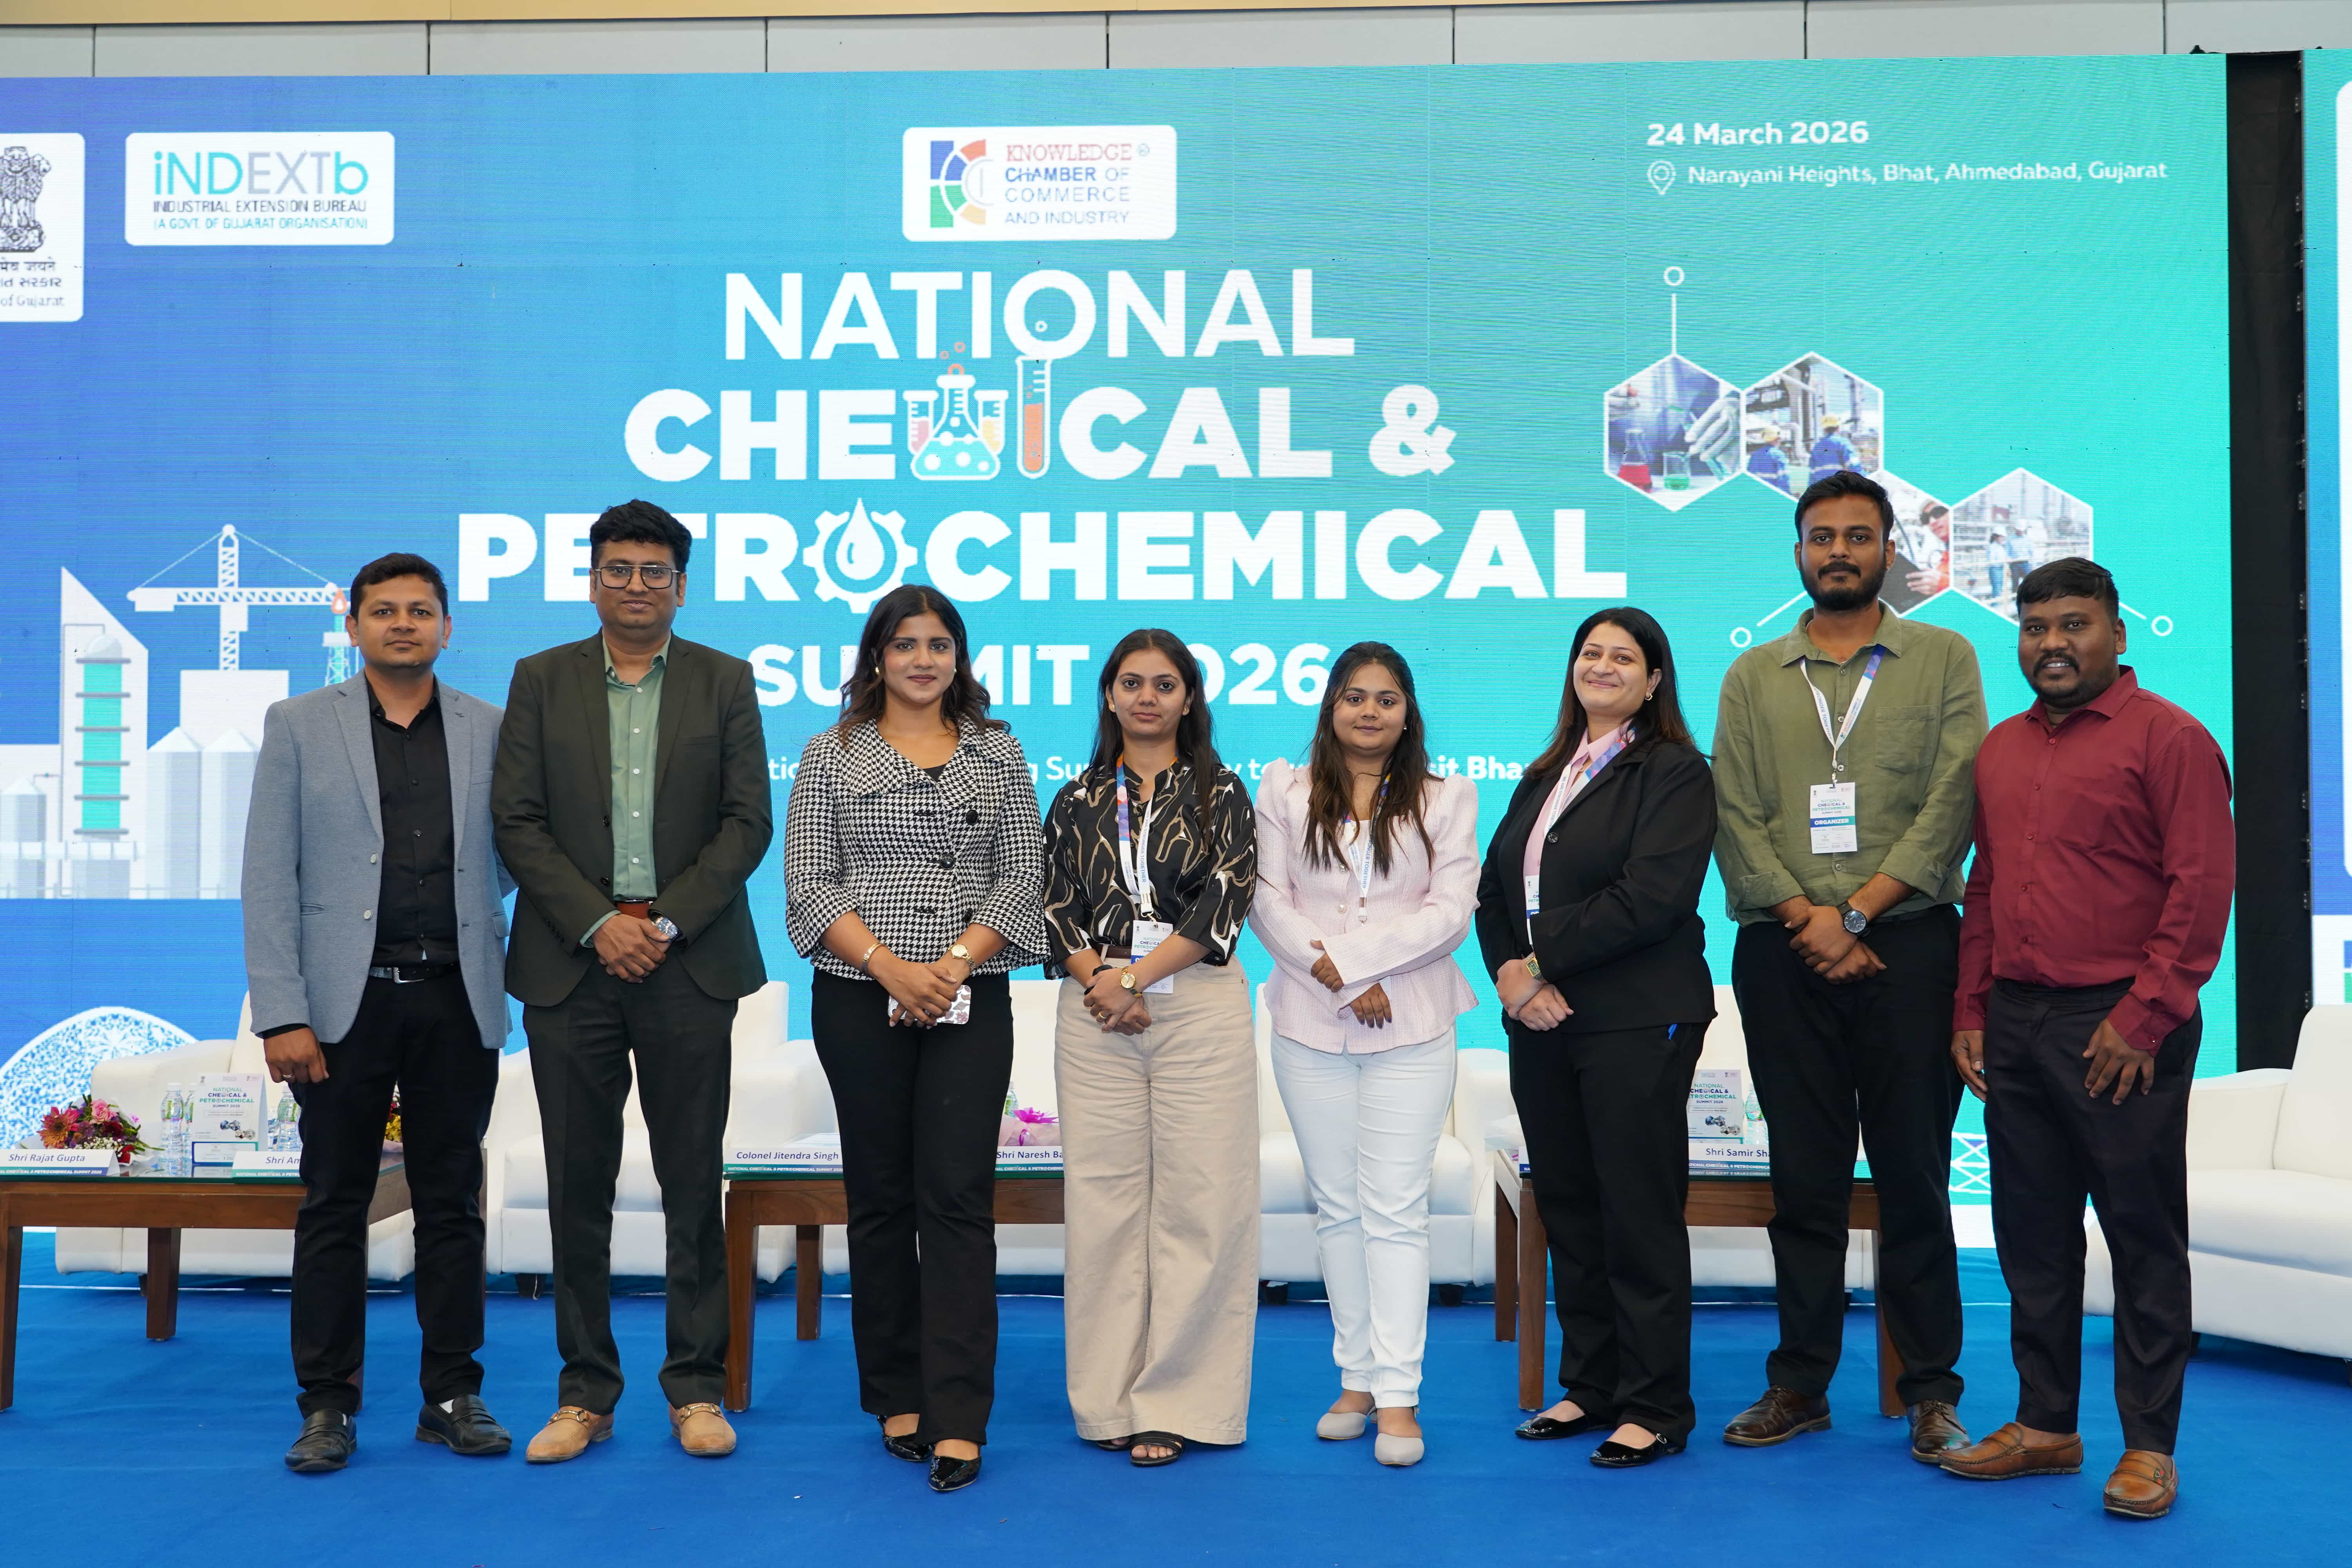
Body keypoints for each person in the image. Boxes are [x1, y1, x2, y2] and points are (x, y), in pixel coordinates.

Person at [1938, 559, 2232, 1521]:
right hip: (2017, 1017)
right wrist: (1971, 1007)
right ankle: (2046, 1424)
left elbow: (2200, 889)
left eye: (2074, 624)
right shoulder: (2002, 748)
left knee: (2142, 1235)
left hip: (2122, 1022)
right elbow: (1985, 886)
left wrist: (2144, 1017)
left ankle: (2149, 1444)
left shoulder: (2171, 738)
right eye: (2035, 627)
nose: (2052, 643)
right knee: (2030, 1233)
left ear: (2117, 633)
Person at [1712, 470, 1988, 1463]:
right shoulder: (1753, 675)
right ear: (1798, 553)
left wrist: (1860, 910)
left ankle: (1931, 1391)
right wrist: (1811, 917)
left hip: (1909, 943)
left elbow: (1955, 798)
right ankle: (1799, 1383)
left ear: (1888, 551)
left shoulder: (1944, 657)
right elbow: (1735, 811)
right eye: (1821, 536)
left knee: (1914, 1175)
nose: (1838, 550)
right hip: (1784, 948)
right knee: (1805, 1177)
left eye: (1857, 535)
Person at [491, 499, 773, 1464]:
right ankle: (585, 1393)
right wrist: (598, 922)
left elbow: (746, 822)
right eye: (619, 568)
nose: (637, 585)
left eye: (656, 571)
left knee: (691, 1181)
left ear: (681, 586)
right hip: (572, 963)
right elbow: (517, 819)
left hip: (688, 959)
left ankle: (695, 1388)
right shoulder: (541, 679)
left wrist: (664, 921)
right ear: (593, 579)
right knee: (579, 1184)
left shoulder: (724, 680)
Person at [243, 553, 514, 1474]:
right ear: (353, 624)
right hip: (340, 1008)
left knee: (452, 1203)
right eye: (385, 610)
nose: (404, 623)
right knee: (334, 1203)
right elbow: (267, 875)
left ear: (448, 627)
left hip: (456, 996)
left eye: (421, 610)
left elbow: (515, 854)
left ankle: (453, 1394)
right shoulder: (298, 724)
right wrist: (283, 1010)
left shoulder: (488, 727)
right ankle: (327, 1404)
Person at [782, 586, 1045, 1495]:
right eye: (905, 644)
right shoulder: (830, 752)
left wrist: (955, 964)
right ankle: (896, 1393)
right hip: (860, 992)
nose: (923, 659)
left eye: (939, 644)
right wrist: (896, 971)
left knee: (959, 1198)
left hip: (972, 992)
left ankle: (961, 1413)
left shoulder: (997, 750)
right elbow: (810, 884)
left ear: (958, 657)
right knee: (882, 1198)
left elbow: (1022, 874)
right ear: (877, 657)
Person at [1475, 608, 1718, 1468]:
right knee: (1571, 1204)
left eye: (1624, 656)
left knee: (1636, 1209)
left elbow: (1652, 897)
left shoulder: (1677, 771)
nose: (1604, 666)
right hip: (1541, 1020)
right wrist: (1510, 976)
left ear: (1654, 681)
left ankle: (1656, 1404)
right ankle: (1593, 1383)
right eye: (1591, 653)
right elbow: (1495, 892)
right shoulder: (1548, 772)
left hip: (1636, 1015)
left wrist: (1538, 963)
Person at [1250, 643, 1479, 1469]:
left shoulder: (1446, 796)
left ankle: (1399, 1397)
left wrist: (1356, 964)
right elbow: (1266, 900)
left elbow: (1450, 912)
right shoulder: (1283, 790)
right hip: (1308, 1024)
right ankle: (1355, 1379)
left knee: (1394, 1211)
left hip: (1412, 1027)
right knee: (1337, 1209)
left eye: (1386, 698)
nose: (1370, 711)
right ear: (1331, 708)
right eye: (1355, 696)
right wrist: (1342, 980)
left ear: (1408, 712)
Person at [1044, 631, 1259, 1468]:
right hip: (1093, 1007)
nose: (1147, 697)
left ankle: (1178, 1402)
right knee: (1104, 1208)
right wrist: (1104, 980)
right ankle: (1106, 1401)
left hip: (1195, 1005)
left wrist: (1134, 978)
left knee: (1201, 1206)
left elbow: (1224, 903)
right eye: (1131, 683)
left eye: (1165, 684)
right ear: (1108, 695)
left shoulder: (1223, 792)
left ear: (1189, 698)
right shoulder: (1076, 797)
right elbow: (1053, 905)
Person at [1808, 414, 1860, 484]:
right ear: (1838, 428)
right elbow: (1853, 465)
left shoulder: (1816, 447)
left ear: (1824, 429)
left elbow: (1812, 471)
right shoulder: (1844, 443)